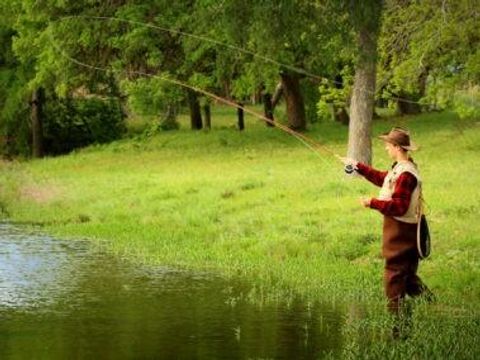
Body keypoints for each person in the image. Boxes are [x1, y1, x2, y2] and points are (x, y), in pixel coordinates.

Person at [341, 127, 433, 319]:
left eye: (388, 145)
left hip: (401, 234)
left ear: (397, 147)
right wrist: (356, 165)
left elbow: (399, 206)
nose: (386, 148)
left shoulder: (407, 174)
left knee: (394, 277)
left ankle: (397, 325)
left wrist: (372, 202)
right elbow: (383, 178)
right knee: (407, 278)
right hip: (403, 232)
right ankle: (433, 308)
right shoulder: (400, 168)